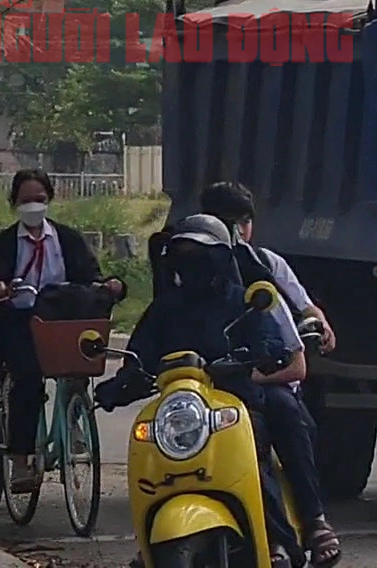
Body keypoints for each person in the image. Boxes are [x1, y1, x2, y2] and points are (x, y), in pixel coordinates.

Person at [101, 214, 303, 568]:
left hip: (234, 405)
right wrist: (123, 382)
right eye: (182, 254)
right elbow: (139, 354)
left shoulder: (243, 303)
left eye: (200, 254)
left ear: (221, 258)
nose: (190, 262)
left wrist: (267, 353)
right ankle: (147, 546)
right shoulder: (164, 308)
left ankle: (277, 542)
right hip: (177, 410)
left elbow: (270, 342)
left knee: (255, 463)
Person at [198, 182, 341, 567]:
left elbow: (301, 312)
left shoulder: (266, 270)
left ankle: (311, 522)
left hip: (260, 382)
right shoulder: (183, 269)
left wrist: (316, 325)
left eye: (242, 222)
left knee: (287, 419)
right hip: (202, 387)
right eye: (228, 223)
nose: (237, 232)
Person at [0, 169, 124, 494]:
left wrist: (107, 285)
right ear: (14, 203)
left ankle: (73, 424)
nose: (33, 206)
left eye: (39, 200)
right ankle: (20, 457)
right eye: (26, 201)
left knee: (78, 364)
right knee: (27, 378)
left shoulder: (67, 239)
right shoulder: (3, 243)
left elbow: (90, 274)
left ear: (50, 200)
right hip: (21, 321)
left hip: (62, 318)